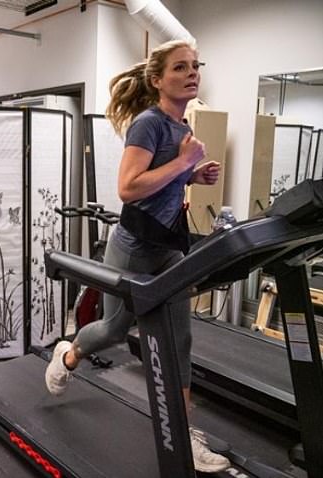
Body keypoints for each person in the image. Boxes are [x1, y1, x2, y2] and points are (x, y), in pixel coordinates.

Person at [44, 40, 229, 473]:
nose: (191, 73)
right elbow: (128, 188)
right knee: (113, 330)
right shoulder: (148, 124)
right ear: (157, 79)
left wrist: (193, 173)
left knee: (180, 341)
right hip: (134, 246)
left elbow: (163, 183)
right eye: (180, 67)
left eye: (194, 66)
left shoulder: (183, 128)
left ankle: (184, 434)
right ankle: (68, 355)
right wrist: (184, 162)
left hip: (168, 247)